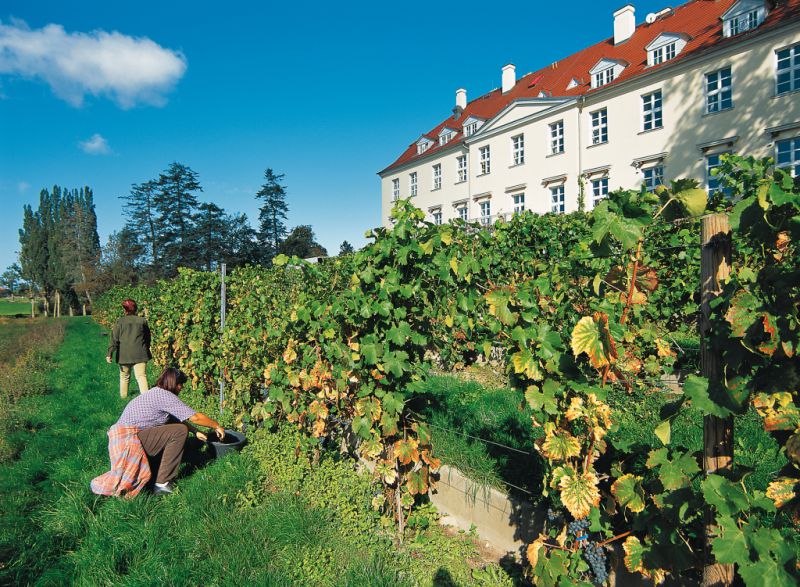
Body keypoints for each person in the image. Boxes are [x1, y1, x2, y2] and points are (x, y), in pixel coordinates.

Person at [90, 367, 225, 497]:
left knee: (181, 433)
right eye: (181, 384)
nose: (182, 388)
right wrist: (216, 425)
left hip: (123, 440)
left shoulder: (156, 392)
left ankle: (157, 467)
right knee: (179, 431)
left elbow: (173, 418)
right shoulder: (165, 396)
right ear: (173, 383)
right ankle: (162, 484)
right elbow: (195, 417)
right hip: (128, 442)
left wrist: (195, 431)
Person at [106, 299, 151, 398]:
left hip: (124, 355)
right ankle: (147, 398)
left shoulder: (120, 322)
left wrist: (110, 353)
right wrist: (147, 348)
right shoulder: (142, 321)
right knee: (141, 377)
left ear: (125, 310)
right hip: (140, 354)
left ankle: (123, 397)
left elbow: (114, 338)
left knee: (124, 377)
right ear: (136, 309)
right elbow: (147, 338)